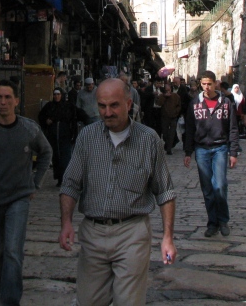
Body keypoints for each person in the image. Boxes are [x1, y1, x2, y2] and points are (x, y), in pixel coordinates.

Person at [59, 78, 177, 305]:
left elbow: (164, 192)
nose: (107, 112)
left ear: (128, 104)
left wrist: (168, 238)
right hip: (93, 233)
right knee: (89, 301)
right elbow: (70, 184)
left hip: (132, 233)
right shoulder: (87, 137)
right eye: (102, 106)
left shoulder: (148, 139)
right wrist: (66, 223)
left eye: (114, 105)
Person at [0, 80, 52, 306]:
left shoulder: (28, 129)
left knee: (12, 250)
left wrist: (35, 183)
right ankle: (0, 290)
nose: (3, 102)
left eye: (7, 97)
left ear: (16, 101)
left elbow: (46, 152)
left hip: (19, 199)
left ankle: (10, 300)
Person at [184, 70, 240, 237]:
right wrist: (188, 152)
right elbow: (189, 128)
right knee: (207, 188)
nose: (207, 87)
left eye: (209, 84)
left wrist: (233, 151)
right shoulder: (195, 103)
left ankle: (223, 220)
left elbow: (233, 128)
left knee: (220, 185)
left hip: (220, 147)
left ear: (215, 83)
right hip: (202, 149)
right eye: (204, 84)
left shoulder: (226, 103)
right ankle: (212, 222)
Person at [39, 88, 89, 185]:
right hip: (53, 136)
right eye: (55, 94)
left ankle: (66, 177)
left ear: (62, 95)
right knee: (56, 157)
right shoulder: (49, 106)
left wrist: (88, 123)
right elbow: (41, 116)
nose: (56, 96)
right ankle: (59, 178)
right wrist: (46, 121)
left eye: (58, 94)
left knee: (65, 157)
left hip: (65, 135)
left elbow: (80, 115)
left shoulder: (68, 106)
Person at [157, 80, 181, 155]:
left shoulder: (175, 96)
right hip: (165, 117)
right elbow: (159, 104)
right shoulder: (161, 96)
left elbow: (179, 105)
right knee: (165, 133)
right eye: (166, 90)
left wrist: (176, 112)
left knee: (172, 133)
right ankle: (167, 144)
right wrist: (164, 97)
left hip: (173, 117)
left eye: (169, 89)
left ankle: (169, 149)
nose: (168, 91)